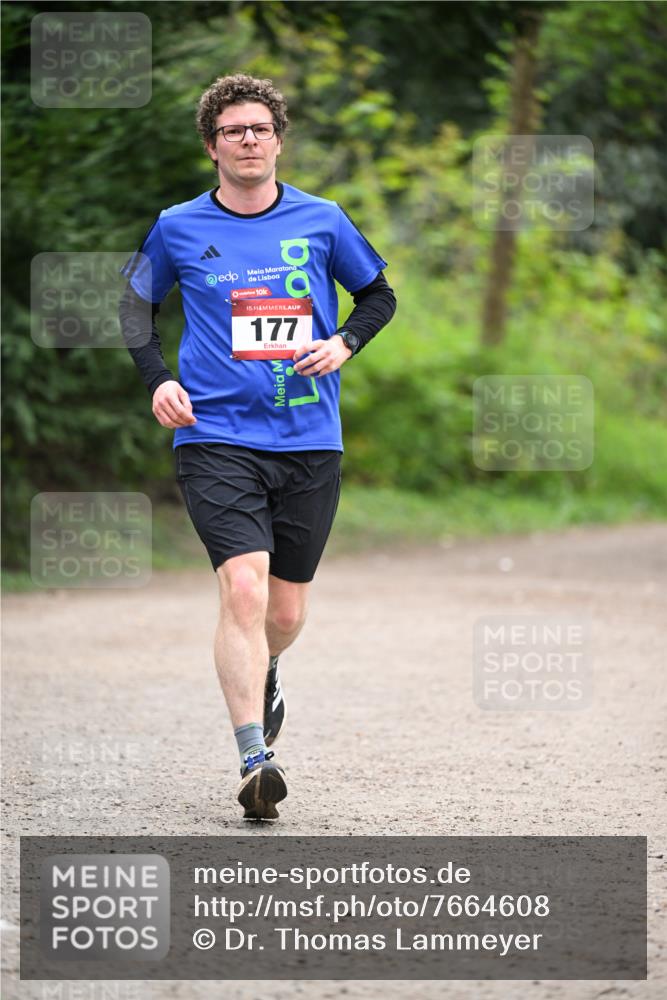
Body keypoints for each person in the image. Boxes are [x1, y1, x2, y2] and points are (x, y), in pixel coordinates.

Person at [119, 74, 396, 820]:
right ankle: (253, 756)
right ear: (212, 146)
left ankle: (268, 666)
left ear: (278, 140)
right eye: (233, 131)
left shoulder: (323, 219)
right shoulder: (177, 226)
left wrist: (344, 343)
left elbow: (378, 296)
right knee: (241, 587)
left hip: (309, 436)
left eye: (260, 129)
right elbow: (135, 304)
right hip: (213, 436)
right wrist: (157, 381)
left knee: (282, 611)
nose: (248, 141)